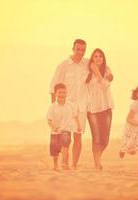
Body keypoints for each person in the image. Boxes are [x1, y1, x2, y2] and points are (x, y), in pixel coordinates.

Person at [49, 39, 89, 169]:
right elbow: (53, 86)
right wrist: (54, 108)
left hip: (81, 107)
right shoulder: (63, 65)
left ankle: (74, 165)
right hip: (66, 106)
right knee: (65, 135)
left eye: (83, 50)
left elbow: (102, 65)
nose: (80, 52)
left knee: (78, 136)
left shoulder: (87, 64)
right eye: (78, 49)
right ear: (73, 48)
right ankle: (64, 162)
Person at [85, 48, 114, 171]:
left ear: (103, 59)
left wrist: (97, 72)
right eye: (95, 56)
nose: (98, 58)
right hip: (92, 109)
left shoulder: (107, 70)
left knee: (105, 140)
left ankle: (98, 158)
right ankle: (97, 165)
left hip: (106, 107)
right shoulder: (87, 72)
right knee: (96, 138)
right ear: (92, 59)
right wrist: (93, 70)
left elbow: (106, 85)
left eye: (100, 56)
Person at [46, 83, 81, 170]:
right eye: (59, 92)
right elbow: (49, 120)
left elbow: (75, 116)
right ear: (55, 94)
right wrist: (53, 127)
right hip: (55, 131)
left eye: (64, 92)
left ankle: (64, 161)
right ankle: (55, 165)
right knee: (54, 150)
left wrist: (79, 126)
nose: (62, 94)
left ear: (66, 93)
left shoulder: (71, 105)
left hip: (66, 129)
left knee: (65, 141)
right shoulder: (52, 107)